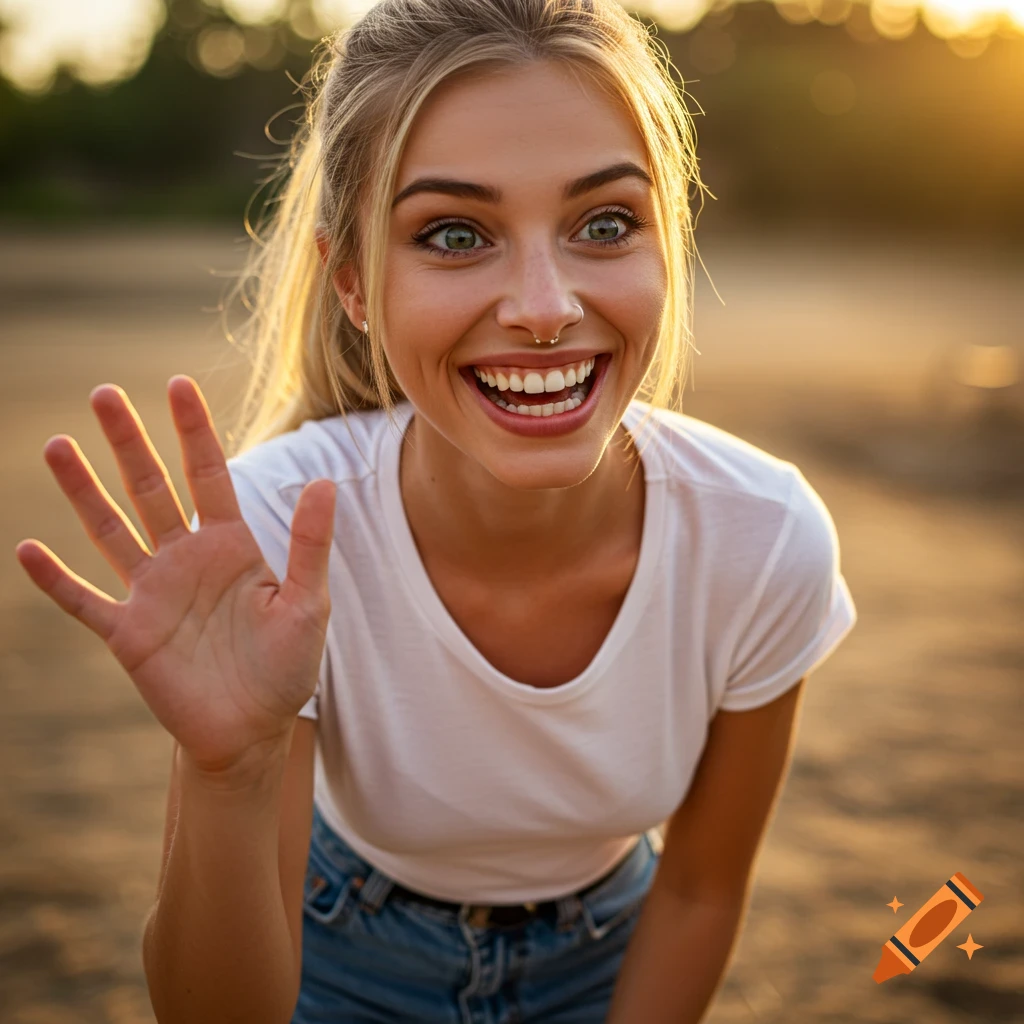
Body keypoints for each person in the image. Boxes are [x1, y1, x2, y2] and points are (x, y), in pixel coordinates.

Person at [14, 0, 858, 1020]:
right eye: (454, 233)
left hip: (615, 953)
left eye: (605, 223)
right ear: (355, 283)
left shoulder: (761, 536)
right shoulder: (279, 531)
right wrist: (226, 769)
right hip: (339, 944)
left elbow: (698, 887)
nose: (544, 308)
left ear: (666, 247)